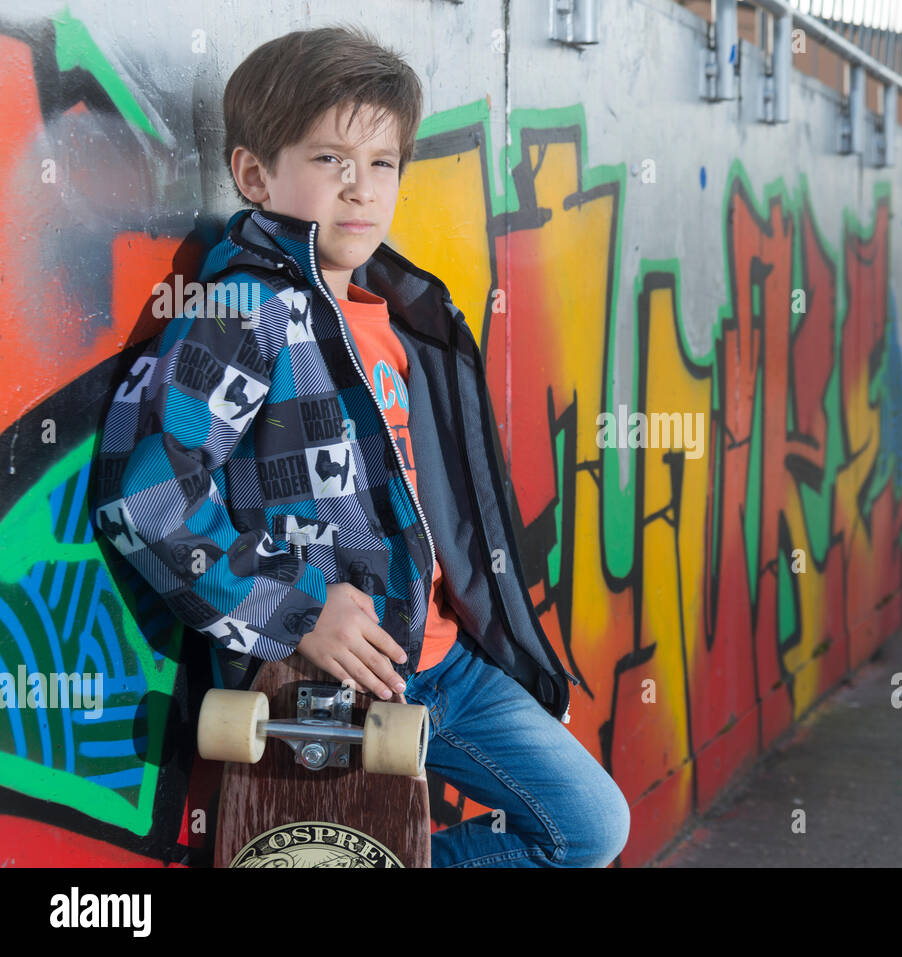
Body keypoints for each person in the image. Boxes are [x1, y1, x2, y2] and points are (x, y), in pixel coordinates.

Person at [92, 24, 629, 868]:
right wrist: (298, 609)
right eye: (331, 160)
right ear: (254, 174)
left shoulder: (402, 316)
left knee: (588, 826)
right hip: (321, 688)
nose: (360, 189)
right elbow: (147, 501)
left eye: (382, 164)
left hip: (445, 663)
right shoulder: (250, 311)